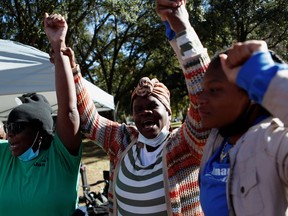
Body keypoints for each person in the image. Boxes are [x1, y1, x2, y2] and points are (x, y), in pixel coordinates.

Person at [65, 0, 211, 215]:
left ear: (168, 112)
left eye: (152, 105)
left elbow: (205, 99)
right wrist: (71, 69)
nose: (144, 112)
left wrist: (182, 28)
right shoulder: (122, 141)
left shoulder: (185, 145)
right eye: (138, 108)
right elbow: (88, 121)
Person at [0, 14, 82, 216]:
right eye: (8, 127)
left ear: (40, 131)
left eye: (17, 127)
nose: (10, 134)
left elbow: (69, 111)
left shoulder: (60, 158)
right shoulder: (4, 156)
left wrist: (58, 45)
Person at [198, 39, 288, 216]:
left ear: (253, 94)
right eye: (203, 89)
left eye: (214, 90)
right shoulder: (218, 138)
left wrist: (267, 77)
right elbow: (193, 66)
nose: (200, 99)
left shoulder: (274, 141)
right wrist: (180, 29)